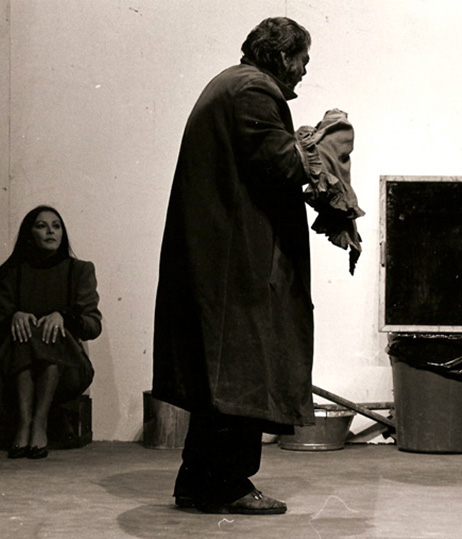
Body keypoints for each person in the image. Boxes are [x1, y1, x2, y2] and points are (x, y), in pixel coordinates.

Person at [153, 17, 316, 515]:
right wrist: (321, 144)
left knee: (220, 379)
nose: (305, 70)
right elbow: (281, 164)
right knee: (243, 374)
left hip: (218, 258)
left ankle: (196, 482)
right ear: (282, 56)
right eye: (302, 59)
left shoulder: (231, 84)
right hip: (235, 264)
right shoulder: (253, 90)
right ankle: (228, 484)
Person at [0, 205, 101, 459]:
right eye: (41, 226)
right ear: (29, 234)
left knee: (51, 329)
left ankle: (38, 421)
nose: (50, 232)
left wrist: (64, 318)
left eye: (56, 226)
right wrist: (14, 316)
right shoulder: (11, 272)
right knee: (26, 329)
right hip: (14, 366)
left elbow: (93, 325)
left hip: (68, 370)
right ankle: (26, 422)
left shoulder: (79, 271)